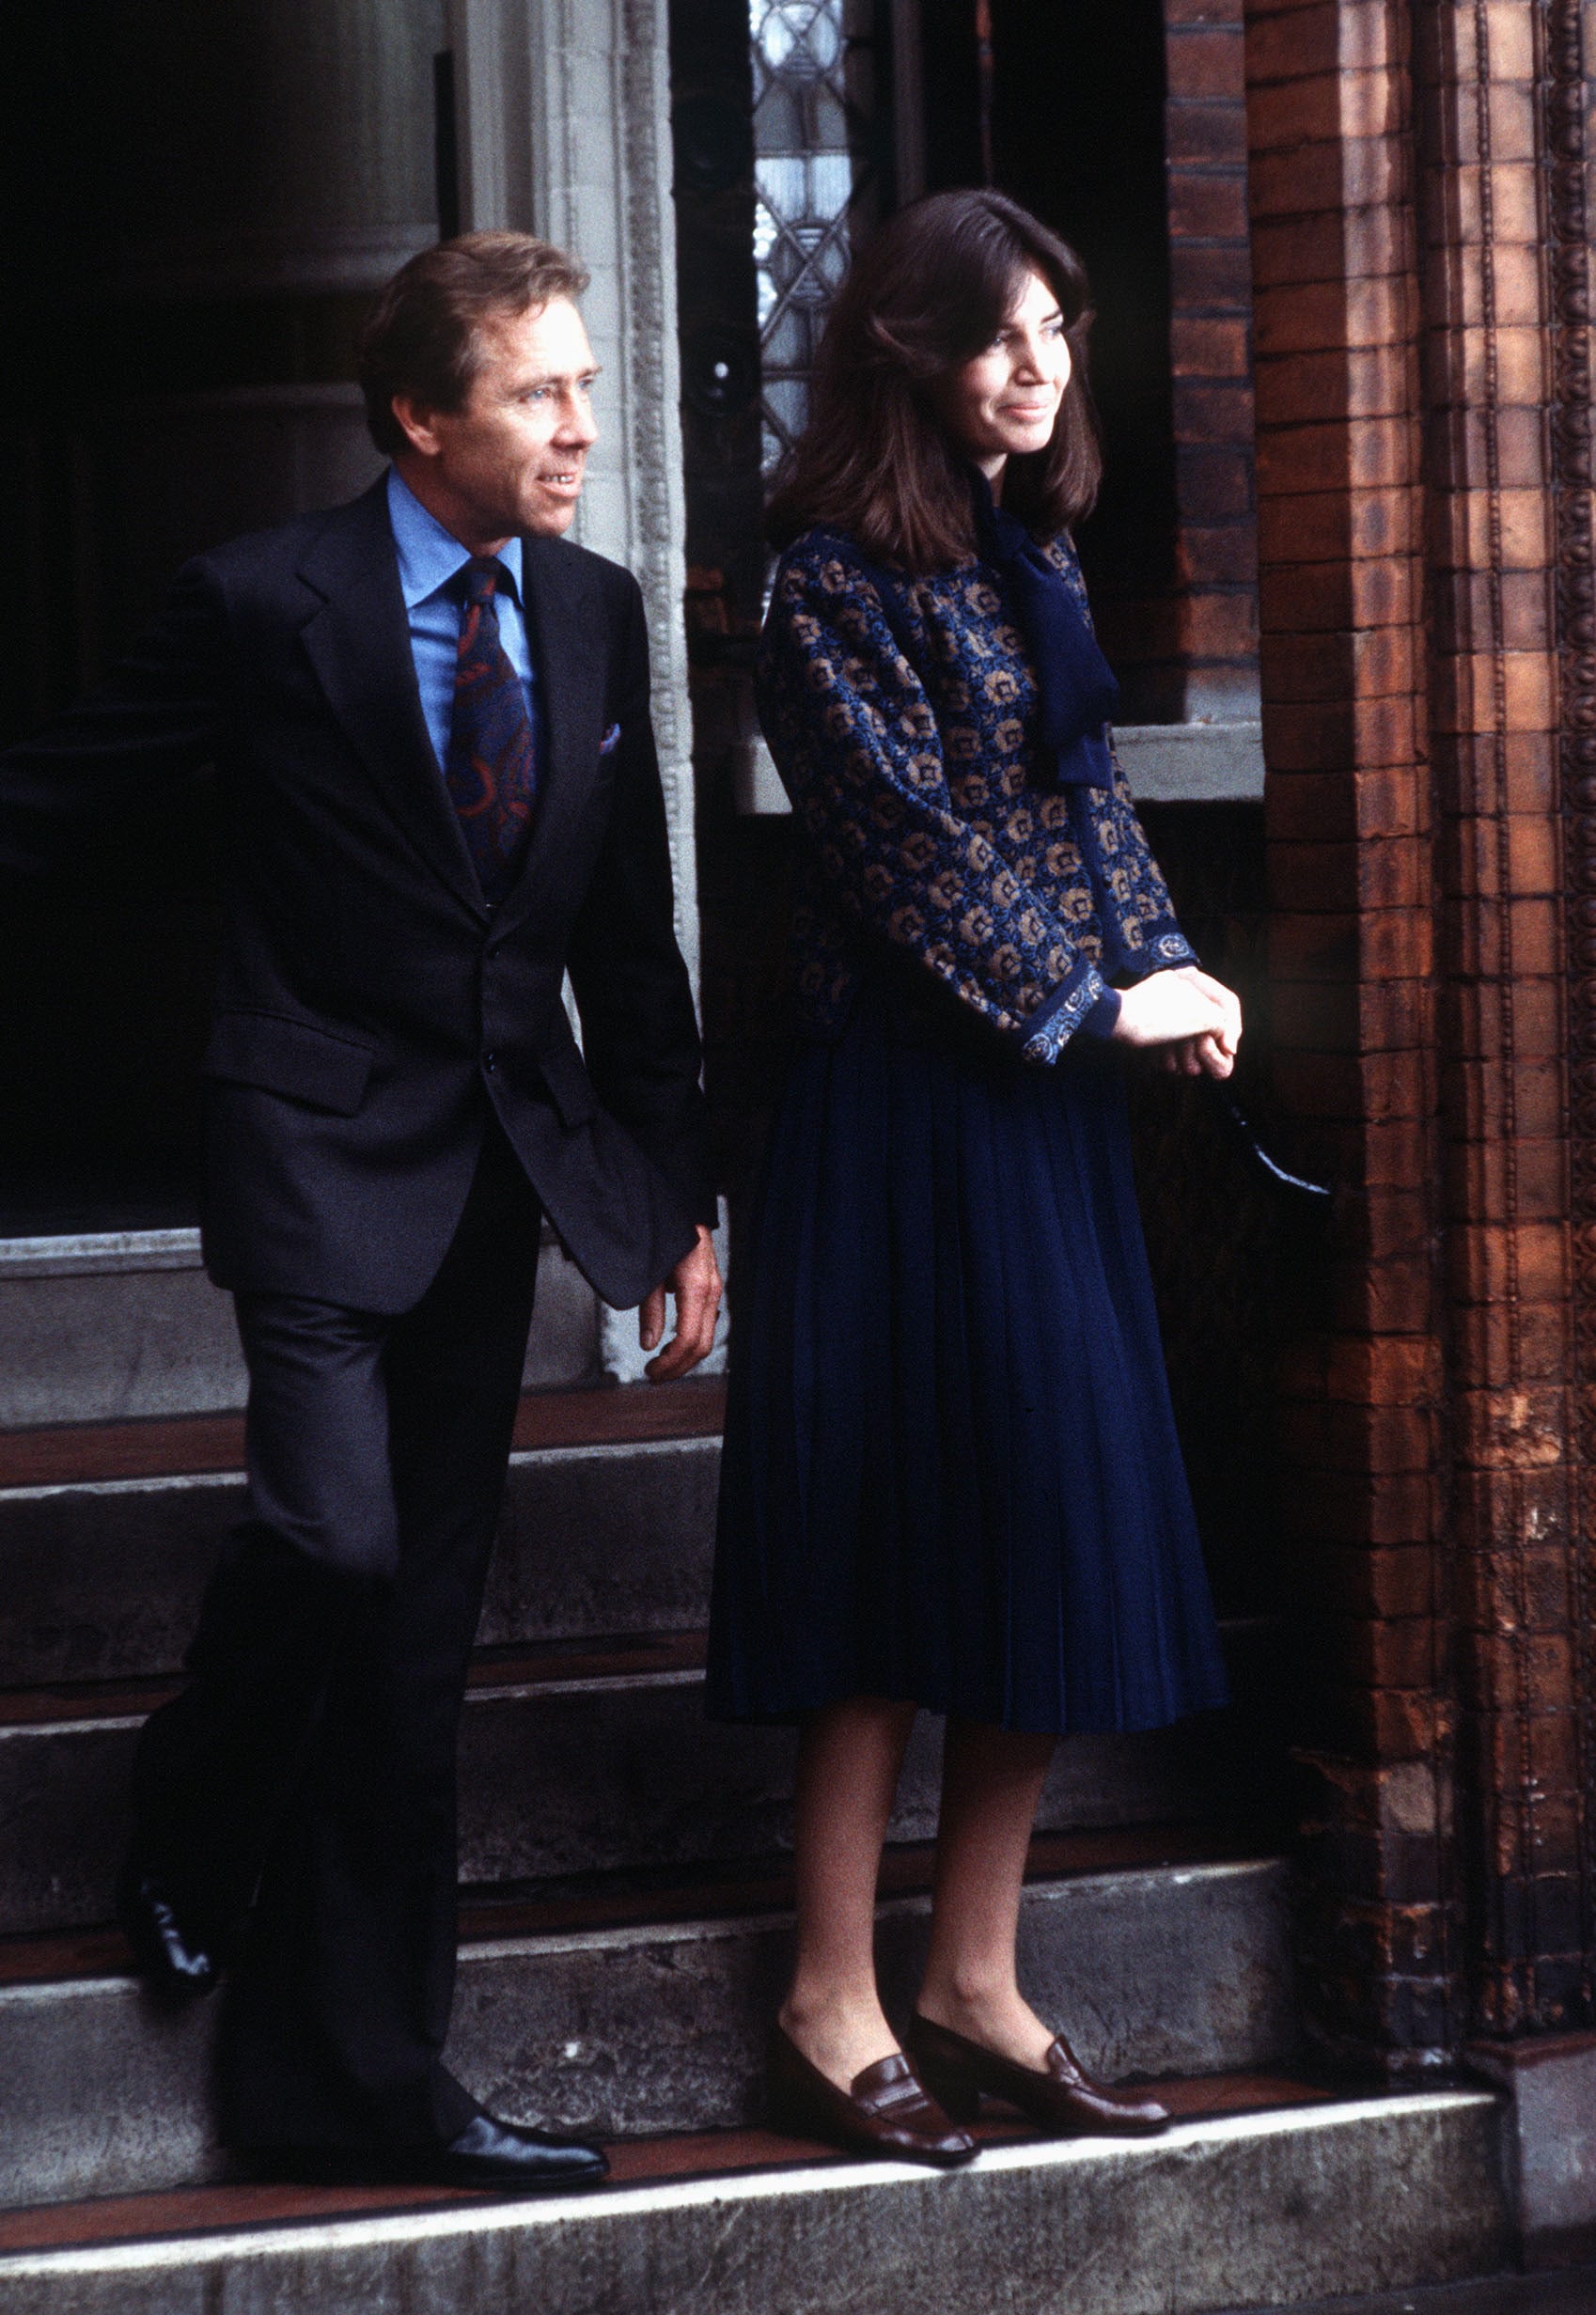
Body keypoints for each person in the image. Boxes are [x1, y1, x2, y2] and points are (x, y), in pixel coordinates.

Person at [0, 232, 721, 2191]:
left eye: (587, 383)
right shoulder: (262, 603)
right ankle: (191, 1801)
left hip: (500, 1176)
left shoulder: (592, 611)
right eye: (541, 390)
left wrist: (674, 1200)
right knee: (329, 1543)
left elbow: (628, 944)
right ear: (423, 415)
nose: (583, 422)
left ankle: (370, 2080)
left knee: (414, 1650)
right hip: (314, 1147)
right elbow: (52, 804)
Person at [705, 189, 1241, 2167]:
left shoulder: (1035, 550)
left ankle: (977, 1976)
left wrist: (1172, 967)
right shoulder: (831, 580)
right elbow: (909, 855)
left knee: (1046, 1516)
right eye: (1002, 333)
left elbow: (1086, 805)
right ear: (905, 349)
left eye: (1060, 332)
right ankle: (831, 1991)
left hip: (1038, 1119)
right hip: (895, 1116)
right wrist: (1091, 1003)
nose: (1041, 366)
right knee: (884, 1546)